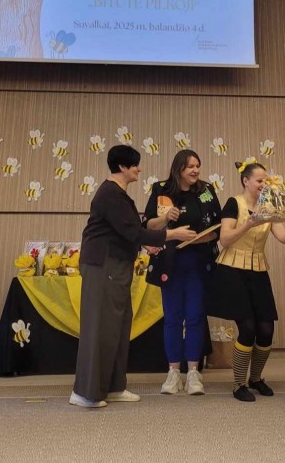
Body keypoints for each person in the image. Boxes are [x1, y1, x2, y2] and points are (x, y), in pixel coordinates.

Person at [71, 145, 196, 408]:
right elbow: (133, 232)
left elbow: (128, 231)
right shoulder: (111, 194)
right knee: (100, 328)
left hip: (116, 266)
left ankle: (113, 386)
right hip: (103, 265)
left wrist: (149, 241)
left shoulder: (118, 194)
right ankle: (86, 392)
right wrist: (171, 234)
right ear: (122, 167)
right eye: (135, 165)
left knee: (117, 326)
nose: (139, 169)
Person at [207, 161, 285, 401]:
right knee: (248, 328)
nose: (263, 184)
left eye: (266, 180)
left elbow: (283, 237)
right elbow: (225, 239)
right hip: (232, 271)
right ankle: (239, 383)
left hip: (258, 271)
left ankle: (256, 378)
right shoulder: (234, 203)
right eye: (259, 180)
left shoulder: (270, 203)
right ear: (246, 181)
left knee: (266, 330)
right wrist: (249, 223)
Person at [143, 149, 222, 396]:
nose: (195, 170)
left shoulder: (207, 190)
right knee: (173, 318)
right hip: (170, 263)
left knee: (196, 317)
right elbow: (148, 225)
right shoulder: (161, 189)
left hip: (199, 262)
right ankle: (173, 372)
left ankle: (194, 372)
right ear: (178, 168)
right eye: (190, 166)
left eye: (197, 165)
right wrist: (166, 218)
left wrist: (199, 239)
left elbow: (218, 226)